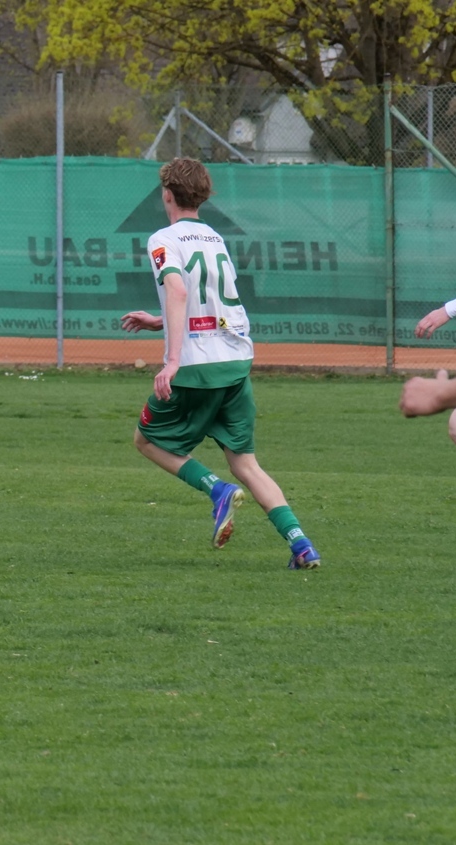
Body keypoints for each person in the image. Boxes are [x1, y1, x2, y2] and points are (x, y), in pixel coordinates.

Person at [120, 157, 320, 570]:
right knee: (246, 463)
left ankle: (217, 490)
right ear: (202, 197)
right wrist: (159, 321)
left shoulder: (162, 238)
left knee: (146, 441)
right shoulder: (214, 237)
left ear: (167, 195)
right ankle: (301, 545)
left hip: (196, 367)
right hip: (235, 361)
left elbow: (179, 290)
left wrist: (171, 361)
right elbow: (207, 298)